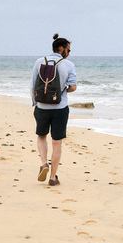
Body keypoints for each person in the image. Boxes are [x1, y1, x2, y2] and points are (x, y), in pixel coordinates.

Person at [30, 34, 77, 186]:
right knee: (57, 143)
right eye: (68, 50)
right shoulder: (69, 65)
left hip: (41, 107)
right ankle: (52, 177)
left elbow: (33, 85)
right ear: (62, 48)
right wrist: (63, 90)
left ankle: (44, 163)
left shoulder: (39, 62)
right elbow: (73, 87)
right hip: (60, 108)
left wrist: (35, 103)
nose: (69, 53)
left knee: (41, 136)